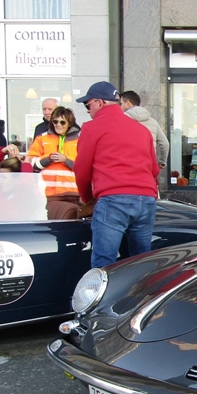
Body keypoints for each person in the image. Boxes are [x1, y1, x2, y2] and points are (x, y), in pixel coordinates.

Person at [73, 81, 159, 268]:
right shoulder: (142, 130)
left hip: (113, 199)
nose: (87, 110)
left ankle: (107, 290)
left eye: (88, 105)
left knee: (104, 264)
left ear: (100, 102)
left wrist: (87, 199)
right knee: (141, 263)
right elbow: (154, 170)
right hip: (146, 199)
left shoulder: (91, 127)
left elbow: (81, 170)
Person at [28, 106, 81, 203]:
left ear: (69, 123)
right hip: (47, 192)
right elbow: (31, 163)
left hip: (73, 192)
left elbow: (85, 166)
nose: (58, 125)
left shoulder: (80, 139)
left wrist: (66, 160)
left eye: (62, 122)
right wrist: (48, 159)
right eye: (55, 121)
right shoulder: (42, 138)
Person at [120, 90, 169, 169]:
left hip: (128, 166)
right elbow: (165, 144)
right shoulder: (153, 122)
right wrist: (162, 162)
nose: (119, 107)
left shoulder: (121, 121)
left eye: (121, 103)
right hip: (149, 166)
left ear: (128, 103)